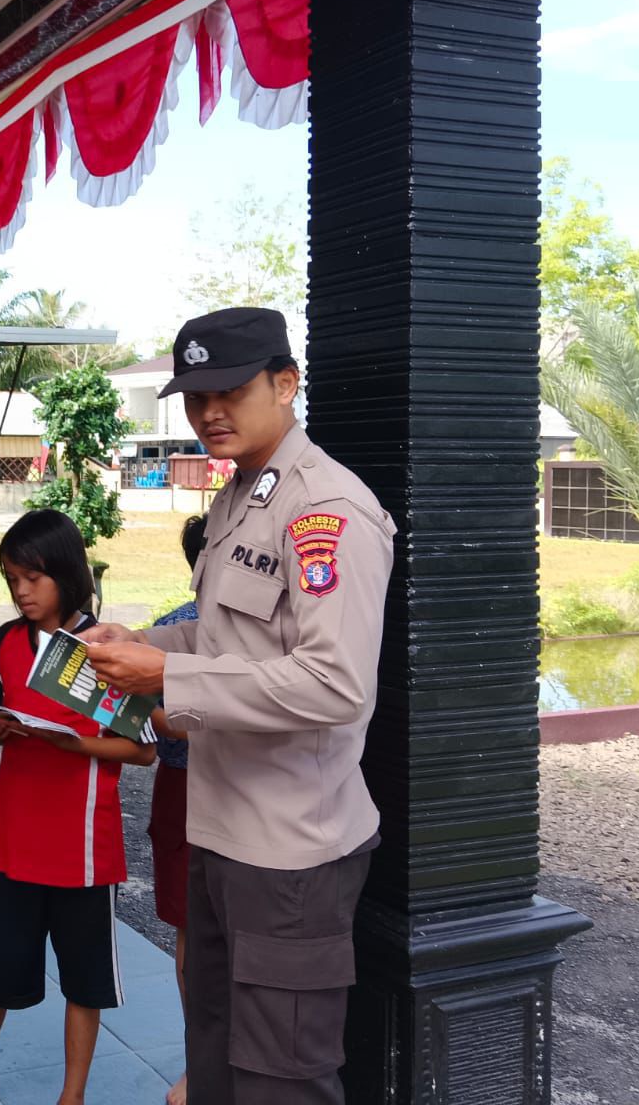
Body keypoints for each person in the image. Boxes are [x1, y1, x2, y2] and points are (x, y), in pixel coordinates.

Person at [85, 307, 396, 1105]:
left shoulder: (328, 511)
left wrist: (170, 681)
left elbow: (334, 684)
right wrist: (146, 646)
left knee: (281, 1078)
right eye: (194, 397)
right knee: (215, 1055)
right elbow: (231, 648)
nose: (208, 412)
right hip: (221, 833)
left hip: (292, 850)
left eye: (229, 390)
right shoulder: (236, 502)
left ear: (285, 384)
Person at [0, 509, 157, 1105]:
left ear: (66, 574)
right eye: (12, 578)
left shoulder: (104, 647)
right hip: (15, 838)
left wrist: (72, 743)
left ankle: (72, 1096)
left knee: (84, 981)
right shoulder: (7, 641)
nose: (20, 591)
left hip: (83, 844)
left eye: (32, 578)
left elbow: (141, 752)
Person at [150, 513, 207, 1105]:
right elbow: (155, 727)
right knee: (196, 932)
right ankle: (201, 1067)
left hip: (214, 789)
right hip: (186, 790)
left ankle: (206, 1070)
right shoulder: (171, 631)